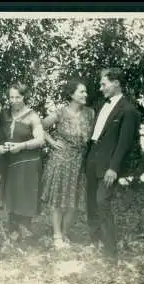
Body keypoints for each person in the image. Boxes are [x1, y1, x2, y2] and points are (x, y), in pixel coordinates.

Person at [0, 83, 45, 241]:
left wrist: (22, 146)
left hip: (28, 160)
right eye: (11, 97)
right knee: (10, 195)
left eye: (17, 97)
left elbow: (40, 139)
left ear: (24, 97)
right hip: (8, 161)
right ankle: (12, 230)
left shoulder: (32, 116)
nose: (14, 101)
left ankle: (25, 229)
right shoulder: (5, 113)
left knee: (25, 196)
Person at [85, 68, 140, 264]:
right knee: (91, 201)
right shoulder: (102, 105)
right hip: (91, 159)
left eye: (103, 84)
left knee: (102, 202)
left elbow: (124, 143)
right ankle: (95, 242)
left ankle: (110, 252)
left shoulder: (129, 111)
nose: (100, 88)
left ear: (116, 83)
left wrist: (113, 168)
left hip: (108, 165)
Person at [40, 80, 96, 249]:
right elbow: (39, 126)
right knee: (58, 199)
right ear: (71, 95)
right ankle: (57, 236)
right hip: (61, 159)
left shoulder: (90, 113)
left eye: (86, 91)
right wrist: (51, 141)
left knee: (75, 199)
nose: (85, 94)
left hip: (80, 160)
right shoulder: (60, 113)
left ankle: (65, 233)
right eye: (81, 92)